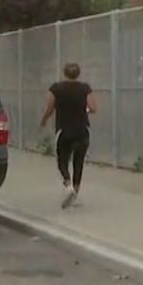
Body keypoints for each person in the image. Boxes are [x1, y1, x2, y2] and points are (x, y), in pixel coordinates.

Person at [39, 62, 96, 209]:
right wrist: (85, 111)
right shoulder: (85, 88)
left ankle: (68, 184)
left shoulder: (56, 88)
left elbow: (50, 107)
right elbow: (93, 107)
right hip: (82, 130)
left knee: (62, 161)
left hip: (64, 130)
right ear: (78, 73)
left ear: (64, 73)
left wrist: (44, 120)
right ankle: (75, 195)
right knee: (79, 162)